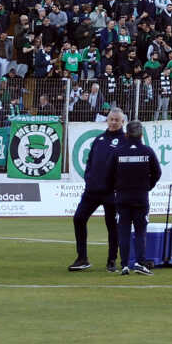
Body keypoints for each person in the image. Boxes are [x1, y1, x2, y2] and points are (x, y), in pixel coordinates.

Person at [70, 113, 126, 269]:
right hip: (92, 190)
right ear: (107, 120)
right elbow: (90, 161)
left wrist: (118, 185)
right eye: (111, 119)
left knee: (112, 225)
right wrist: (89, 178)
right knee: (79, 218)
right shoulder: (99, 139)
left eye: (117, 120)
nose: (113, 122)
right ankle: (82, 258)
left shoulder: (125, 140)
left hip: (112, 192)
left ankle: (112, 260)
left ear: (123, 121)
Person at [108, 121, 164, 275]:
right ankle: (139, 262)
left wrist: (117, 188)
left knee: (124, 231)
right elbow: (157, 173)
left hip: (122, 198)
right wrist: (147, 186)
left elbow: (109, 174)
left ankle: (125, 265)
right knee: (140, 231)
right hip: (141, 197)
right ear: (141, 135)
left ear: (126, 134)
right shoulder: (148, 151)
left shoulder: (118, 152)